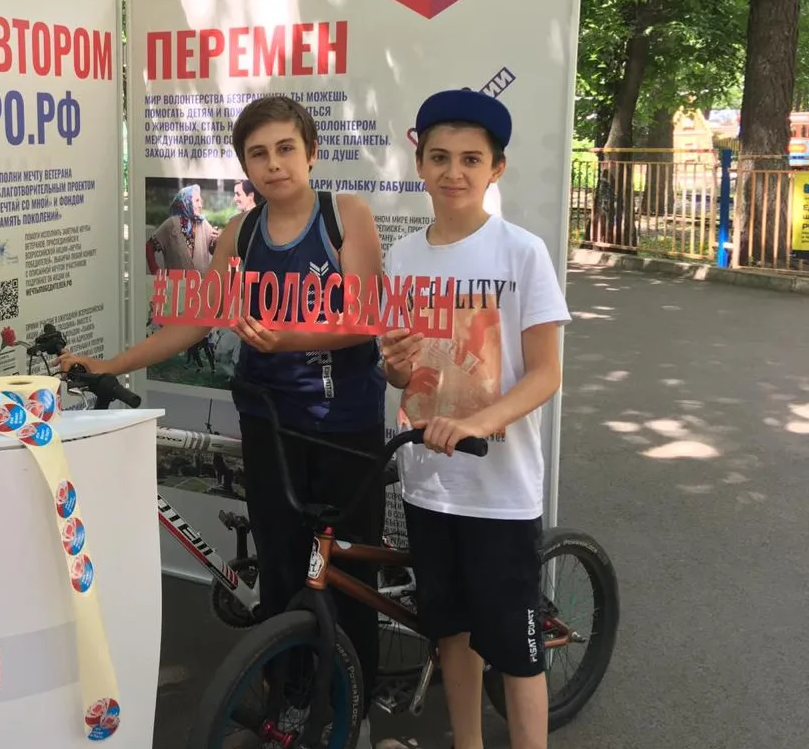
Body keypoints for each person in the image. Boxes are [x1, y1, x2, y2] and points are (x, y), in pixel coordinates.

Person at [61, 95, 386, 749]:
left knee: (346, 573)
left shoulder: (344, 214)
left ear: (311, 152)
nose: (274, 164)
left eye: (285, 149)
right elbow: (195, 320)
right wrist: (110, 362)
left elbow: (366, 318)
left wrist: (289, 339)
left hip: (343, 425)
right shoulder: (241, 232)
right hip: (269, 422)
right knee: (284, 567)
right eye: (258, 154)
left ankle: (355, 703)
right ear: (245, 166)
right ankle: (291, 698)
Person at [379, 90, 569, 749]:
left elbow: (546, 373)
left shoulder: (522, 252)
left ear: (496, 168)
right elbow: (400, 374)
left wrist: (480, 423)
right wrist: (394, 368)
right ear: (420, 164)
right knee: (451, 635)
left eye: (470, 159)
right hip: (428, 485)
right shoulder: (403, 257)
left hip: (499, 493)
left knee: (516, 650)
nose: (453, 172)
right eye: (439, 157)